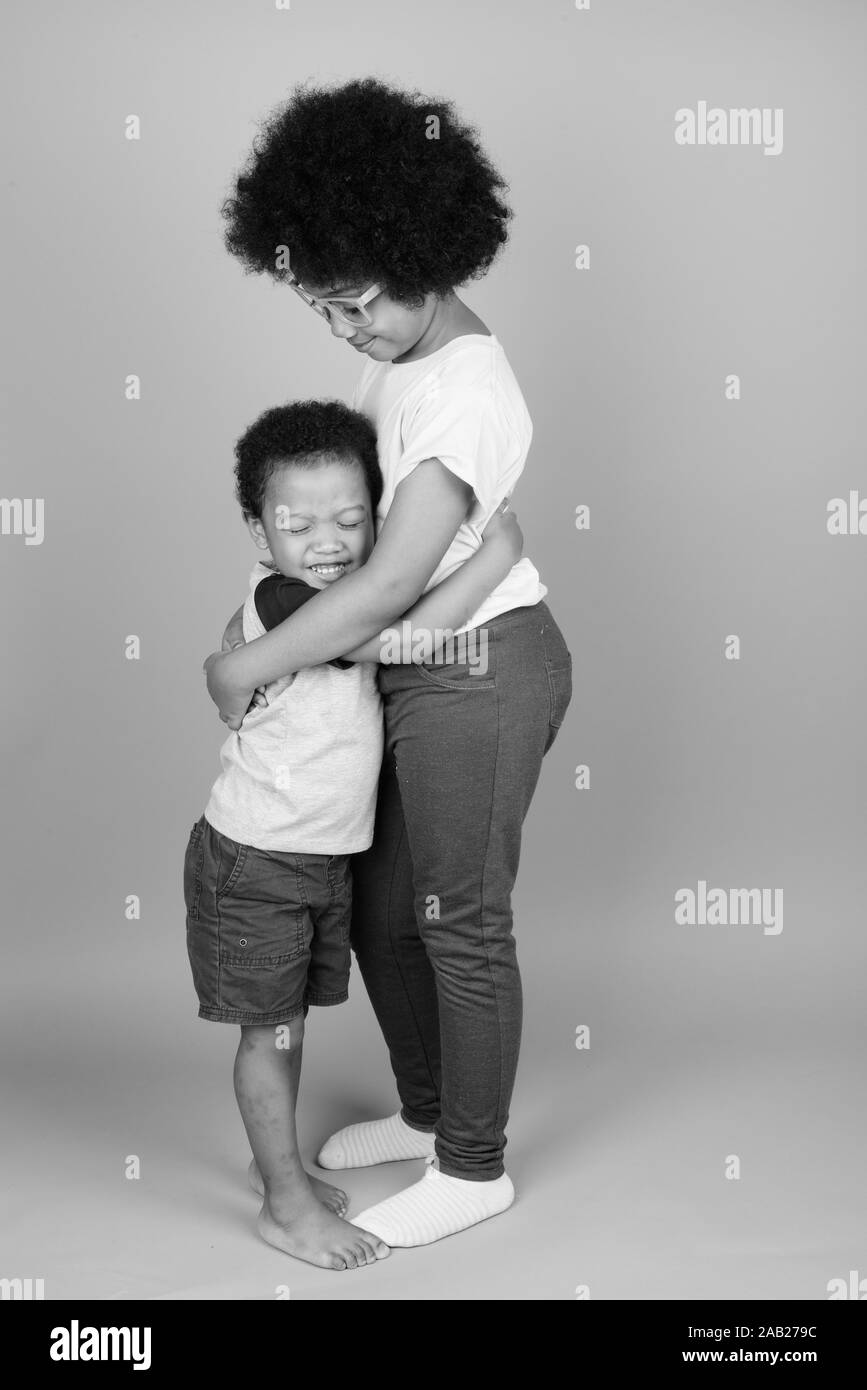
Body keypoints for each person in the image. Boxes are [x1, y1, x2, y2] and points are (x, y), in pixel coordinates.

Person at [206, 77, 573, 1248]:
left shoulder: (467, 384)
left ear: (425, 247)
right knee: (380, 909)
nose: (344, 331)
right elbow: (353, 564)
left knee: (459, 920)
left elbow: (381, 587)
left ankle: (475, 1166)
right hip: (409, 668)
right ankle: (431, 1113)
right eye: (321, 310)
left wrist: (240, 668)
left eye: (355, 303)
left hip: (482, 667)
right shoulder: (399, 360)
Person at [187, 398, 522, 1270]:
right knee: (269, 1032)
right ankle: (285, 1204)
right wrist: (496, 559)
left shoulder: (321, 594)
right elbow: (402, 637)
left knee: (289, 1026)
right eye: (298, 525)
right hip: (255, 862)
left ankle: (280, 1171)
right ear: (261, 536)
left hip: (314, 860)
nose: (327, 541)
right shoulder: (289, 600)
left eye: (352, 519)